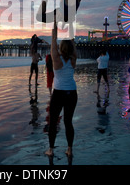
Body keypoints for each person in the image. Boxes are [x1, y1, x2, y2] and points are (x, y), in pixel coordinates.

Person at [45, 22, 78, 158]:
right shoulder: (73, 59)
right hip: (72, 93)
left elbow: (53, 41)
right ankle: (69, 149)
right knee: (68, 122)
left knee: (53, 122)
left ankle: (51, 150)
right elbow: (73, 42)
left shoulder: (56, 59)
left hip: (58, 93)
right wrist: (70, 26)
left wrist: (54, 26)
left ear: (60, 47)